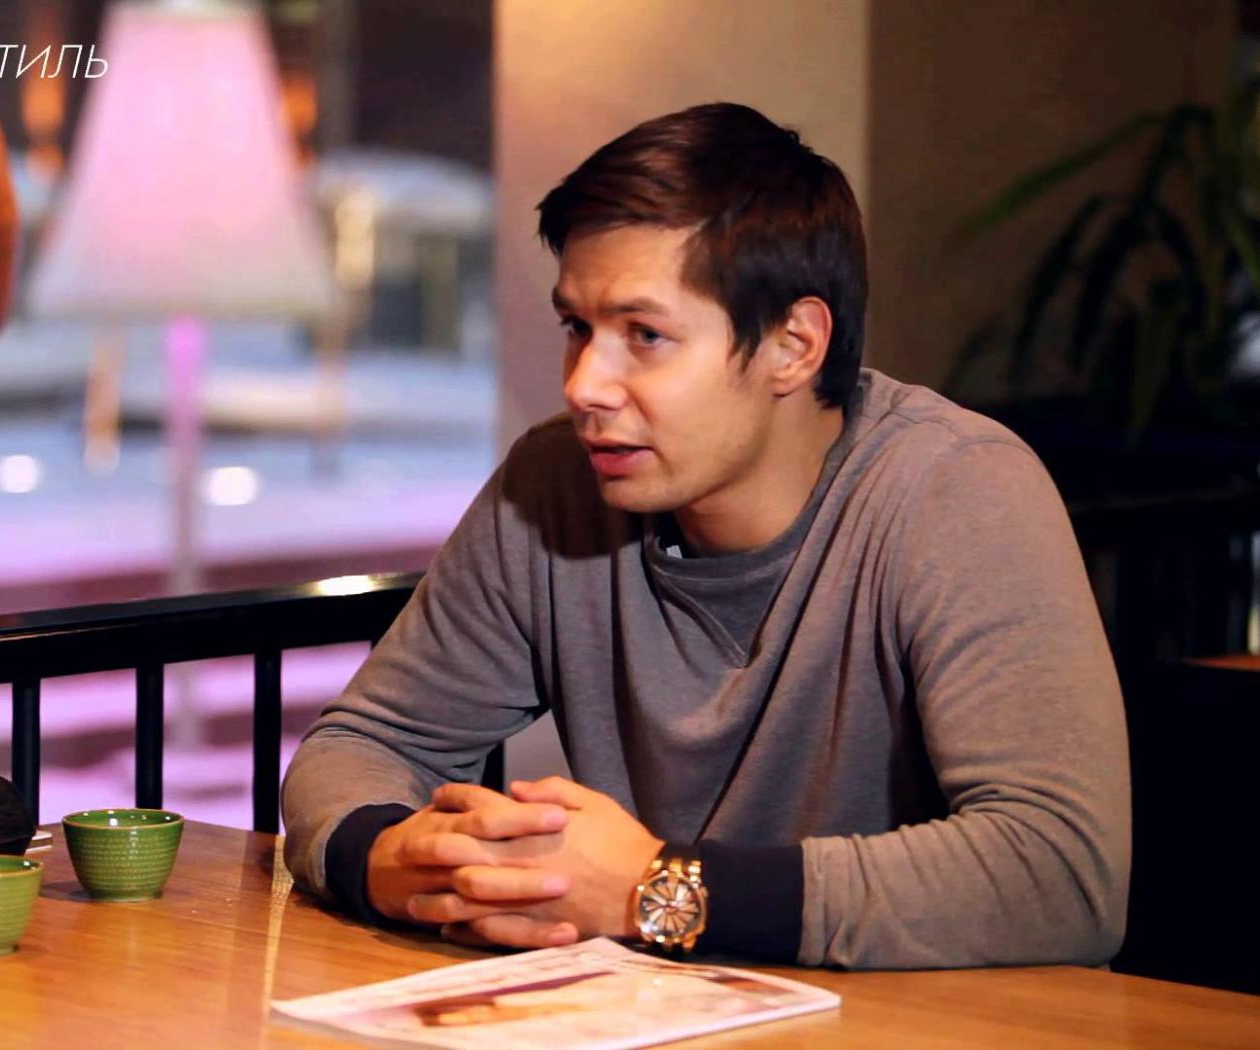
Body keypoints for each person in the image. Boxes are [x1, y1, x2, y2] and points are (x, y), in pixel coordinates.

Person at [282, 102, 1130, 968]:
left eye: (645, 335)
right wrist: (400, 862)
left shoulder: (956, 489)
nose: (584, 385)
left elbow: (1061, 874)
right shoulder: (556, 482)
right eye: (578, 327)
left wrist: (656, 891)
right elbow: (363, 746)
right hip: (657, 1009)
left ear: (793, 346)